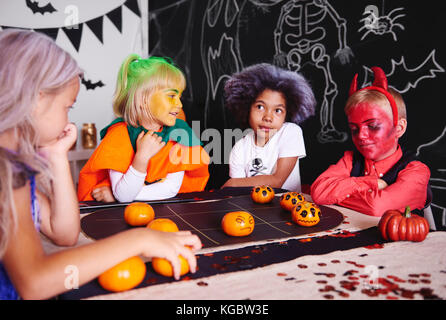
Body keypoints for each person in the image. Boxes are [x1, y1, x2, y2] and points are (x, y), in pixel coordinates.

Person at [0, 29, 202, 300]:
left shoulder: (15, 169)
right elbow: (35, 282)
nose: (68, 119)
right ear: (37, 100)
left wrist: (58, 155)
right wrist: (139, 240)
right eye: (67, 107)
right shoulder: (5, 173)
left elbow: (64, 234)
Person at [77, 55, 210, 203]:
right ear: (143, 100)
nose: (179, 104)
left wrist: (116, 196)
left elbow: (171, 188)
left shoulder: (181, 134)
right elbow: (124, 196)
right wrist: (142, 157)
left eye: (180, 96)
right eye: (172, 95)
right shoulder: (119, 135)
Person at [311, 67, 431, 217]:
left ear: (399, 128)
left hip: (396, 239)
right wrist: (372, 183)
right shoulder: (351, 160)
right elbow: (318, 192)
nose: (361, 135)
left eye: (373, 126)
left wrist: (337, 196)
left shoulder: (416, 171)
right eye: (354, 129)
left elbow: (377, 207)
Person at [221, 63, 316, 191]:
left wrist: (232, 183)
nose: (268, 117)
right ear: (247, 108)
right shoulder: (239, 149)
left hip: (287, 208)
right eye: (260, 107)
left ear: (287, 114)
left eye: (277, 110)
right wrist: (234, 185)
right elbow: (238, 194)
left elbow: (277, 181)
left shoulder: (290, 132)